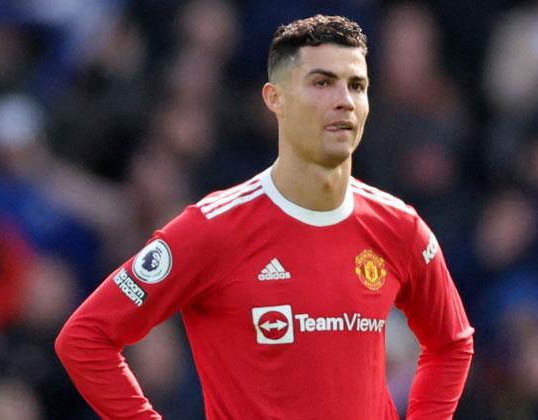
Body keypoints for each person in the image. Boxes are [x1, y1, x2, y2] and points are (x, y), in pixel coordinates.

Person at [55, 15, 474, 419]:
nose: (344, 101)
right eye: (322, 82)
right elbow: (86, 337)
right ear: (276, 99)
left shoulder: (399, 226)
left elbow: (452, 343)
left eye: (356, 85)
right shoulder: (215, 228)